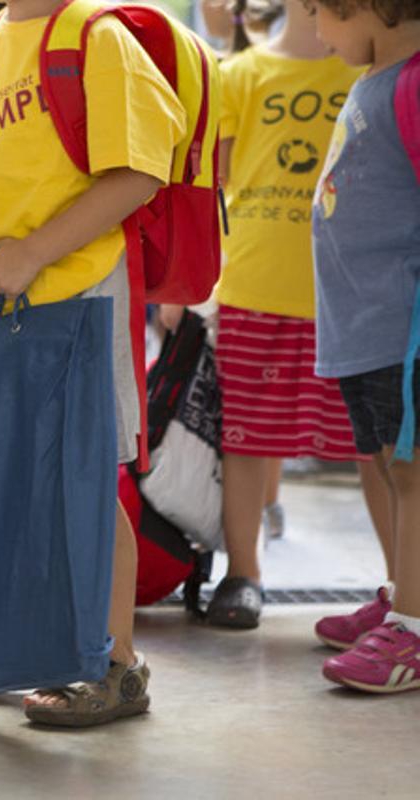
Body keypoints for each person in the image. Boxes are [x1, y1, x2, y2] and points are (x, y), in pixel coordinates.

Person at [0, 0, 186, 727]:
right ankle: (26, 650)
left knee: (86, 478)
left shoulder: (99, 38)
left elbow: (139, 175)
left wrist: (32, 252)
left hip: (79, 293)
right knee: (20, 475)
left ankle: (117, 664)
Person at [201, 0, 388, 630]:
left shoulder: (370, 73)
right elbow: (211, 188)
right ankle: (243, 572)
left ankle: (399, 589)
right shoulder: (239, 75)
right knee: (245, 440)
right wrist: (186, 291)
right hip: (255, 286)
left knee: (381, 452)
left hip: (354, 294)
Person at [309, 0, 420, 692]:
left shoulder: (411, 82)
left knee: (411, 473)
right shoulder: (373, 78)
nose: (317, 31)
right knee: (386, 463)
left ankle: (411, 627)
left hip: (402, 324)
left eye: (319, 13)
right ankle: (403, 591)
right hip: (365, 324)